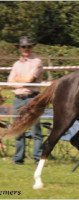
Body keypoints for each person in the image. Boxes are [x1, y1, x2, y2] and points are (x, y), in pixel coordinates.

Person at [8, 36, 43, 165]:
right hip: (18, 99)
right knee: (18, 129)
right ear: (20, 48)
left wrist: (18, 79)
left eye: (28, 46)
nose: (26, 49)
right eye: (23, 47)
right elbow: (9, 82)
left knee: (35, 130)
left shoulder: (37, 62)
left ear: (32, 47)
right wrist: (21, 81)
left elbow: (29, 80)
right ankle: (18, 159)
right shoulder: (16, 64)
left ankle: (38, 158)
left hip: (32, 98)